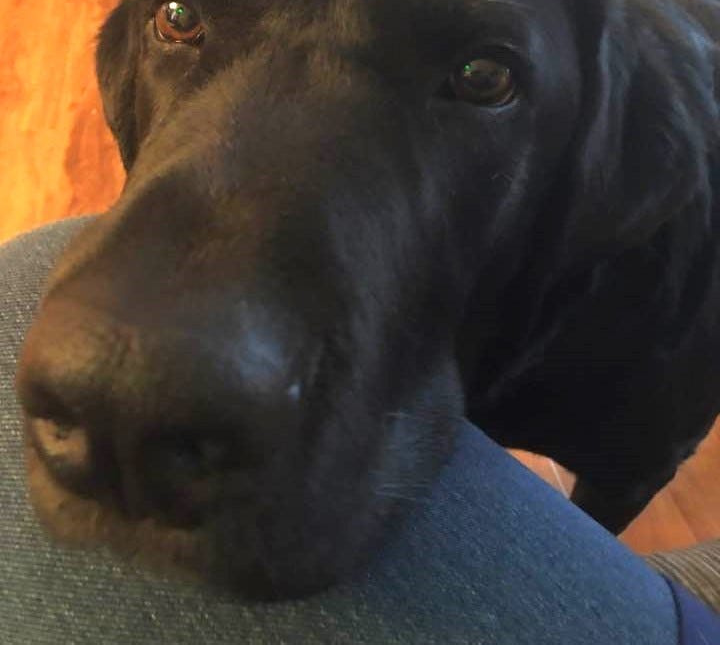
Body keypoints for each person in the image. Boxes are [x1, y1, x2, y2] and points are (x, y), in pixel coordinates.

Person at [1, 219, 718, 644]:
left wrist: (589, 562)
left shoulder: (654, 330)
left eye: (482, 80)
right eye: (179, 20)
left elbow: (633, 465)